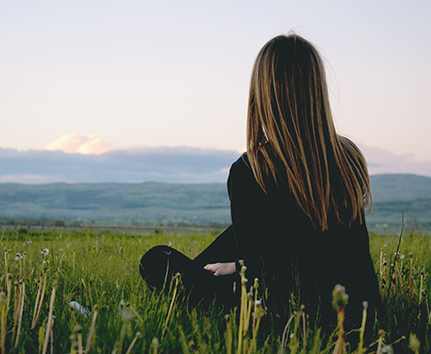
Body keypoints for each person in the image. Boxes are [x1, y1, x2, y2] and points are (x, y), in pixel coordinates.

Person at [140, 34, 380, 340]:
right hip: (357, 315)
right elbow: (322, 249)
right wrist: (238, 263)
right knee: (234, 237)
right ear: (316, 90)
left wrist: (241, 268)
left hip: (280, 318)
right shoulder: (348, 156)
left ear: (263, 93)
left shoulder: (252, 170)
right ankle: (214, 271)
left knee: (157, 260)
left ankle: (192, 288)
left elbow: (264, 283)